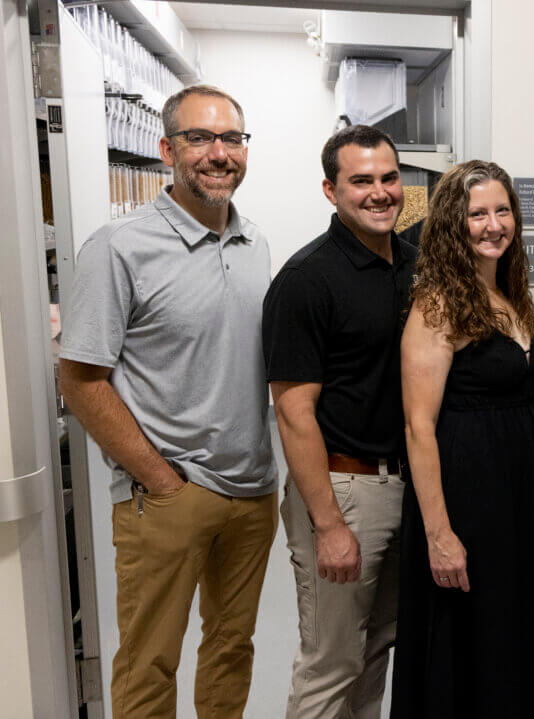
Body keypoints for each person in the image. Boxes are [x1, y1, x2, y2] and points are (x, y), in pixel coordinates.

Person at [58, 85, 278, 718]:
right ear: (166, 150)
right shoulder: (119, 247)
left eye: (231, 138)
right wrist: (161, 482)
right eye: (199, 138)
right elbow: (80, 380)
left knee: (232, 651)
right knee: (149, 662)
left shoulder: (256, 244)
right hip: (169, 495)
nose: (219, 153)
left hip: (253, 492)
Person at [261, 125, 415, 718]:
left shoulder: (414, 265)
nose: (379, 193)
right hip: (343, 488)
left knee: (374, 651)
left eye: (389, 178)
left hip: (404, 486)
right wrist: (328, 525)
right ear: (331, 190)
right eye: (361, 181)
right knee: (331, 662)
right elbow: (293, 413)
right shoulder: (307, 280)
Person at [390, 161, 534, 718]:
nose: (493, 225)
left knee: (509, 637)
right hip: (465, 502)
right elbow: (418, 427)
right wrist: (440, 536)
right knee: (467, 647)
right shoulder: (436, 305)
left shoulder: (510, 296)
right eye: (477, 214)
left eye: (502, 211)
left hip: (517, 500)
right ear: (453, 224)